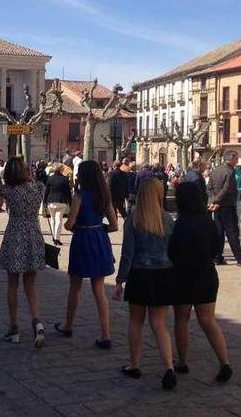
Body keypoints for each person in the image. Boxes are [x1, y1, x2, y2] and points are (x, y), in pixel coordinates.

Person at [113, 179, 177, 390]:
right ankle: (169, 367)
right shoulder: (168, 219)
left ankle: (134, 364)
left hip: (140, 274)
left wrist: (120, 279)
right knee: (159, 323)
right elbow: (174, 251)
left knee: (136, 321)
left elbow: (127, 253)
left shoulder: (134, 218)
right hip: (163, 273)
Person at [169, 181, 233, 384]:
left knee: (182, 318)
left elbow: (172, 251)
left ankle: (183, 360)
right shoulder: (208, 221)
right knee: (208, 320)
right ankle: (224, 362)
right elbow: (216, 248)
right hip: (206, 273)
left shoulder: (180, 224)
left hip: (182, 275)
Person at [0, 155, 47, 348]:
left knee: (12, 284)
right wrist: (29, 174)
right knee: (31, 285)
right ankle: (38, 323)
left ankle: (14, 327)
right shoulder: (39, 188)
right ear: (26, 171)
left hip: (15, 236)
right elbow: (35, 181)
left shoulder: (8, 190)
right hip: (34, 236)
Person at [56, 160, 119, 349]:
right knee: (99, 289)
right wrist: (98, 229)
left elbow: (69, 224)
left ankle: (68, 325)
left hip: (83, 239)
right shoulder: (104, 196)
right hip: (99, 238)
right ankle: (106, 334)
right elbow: (115, 226)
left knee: (75, 286)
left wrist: (77, 227)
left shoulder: (80, 196)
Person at [207, 151, 241, 267]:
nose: (237, 161)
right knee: (232, 232)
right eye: (236, 158)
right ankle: (240, 258)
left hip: (218, 206)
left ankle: (217, 257)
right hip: (227, 205)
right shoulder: (230, 171)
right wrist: (216, 201)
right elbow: (227, 189)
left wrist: (213, 201)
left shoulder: (216, 170)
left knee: (219, 232)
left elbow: (209, 188)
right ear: (232, 159)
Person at [44, 163, 72, 246]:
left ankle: (53, 237)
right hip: (61, 201)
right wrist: (70, 202)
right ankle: (57, 238)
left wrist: (44, 200)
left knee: (53, 219)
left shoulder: (50, 178)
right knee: (59, 220)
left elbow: (47, 191)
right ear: (61, 169)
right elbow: (68, 192)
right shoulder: (65, 179)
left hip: (51, 200)